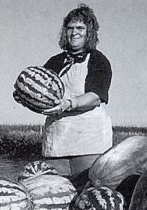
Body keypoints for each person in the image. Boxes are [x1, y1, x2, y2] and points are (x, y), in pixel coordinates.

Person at [41, 4, 113, 177]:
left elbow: (95, 96)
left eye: (80, 28)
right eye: (70, 28)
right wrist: (23, 96)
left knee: (86, 193)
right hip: (57, 142)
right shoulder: (54, 62)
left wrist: (68, 103)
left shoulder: (98, 60)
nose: (74, 32)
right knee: (55, 192)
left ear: (89, 32)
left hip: (89, 142)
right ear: (64, 32)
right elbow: (40, 92)